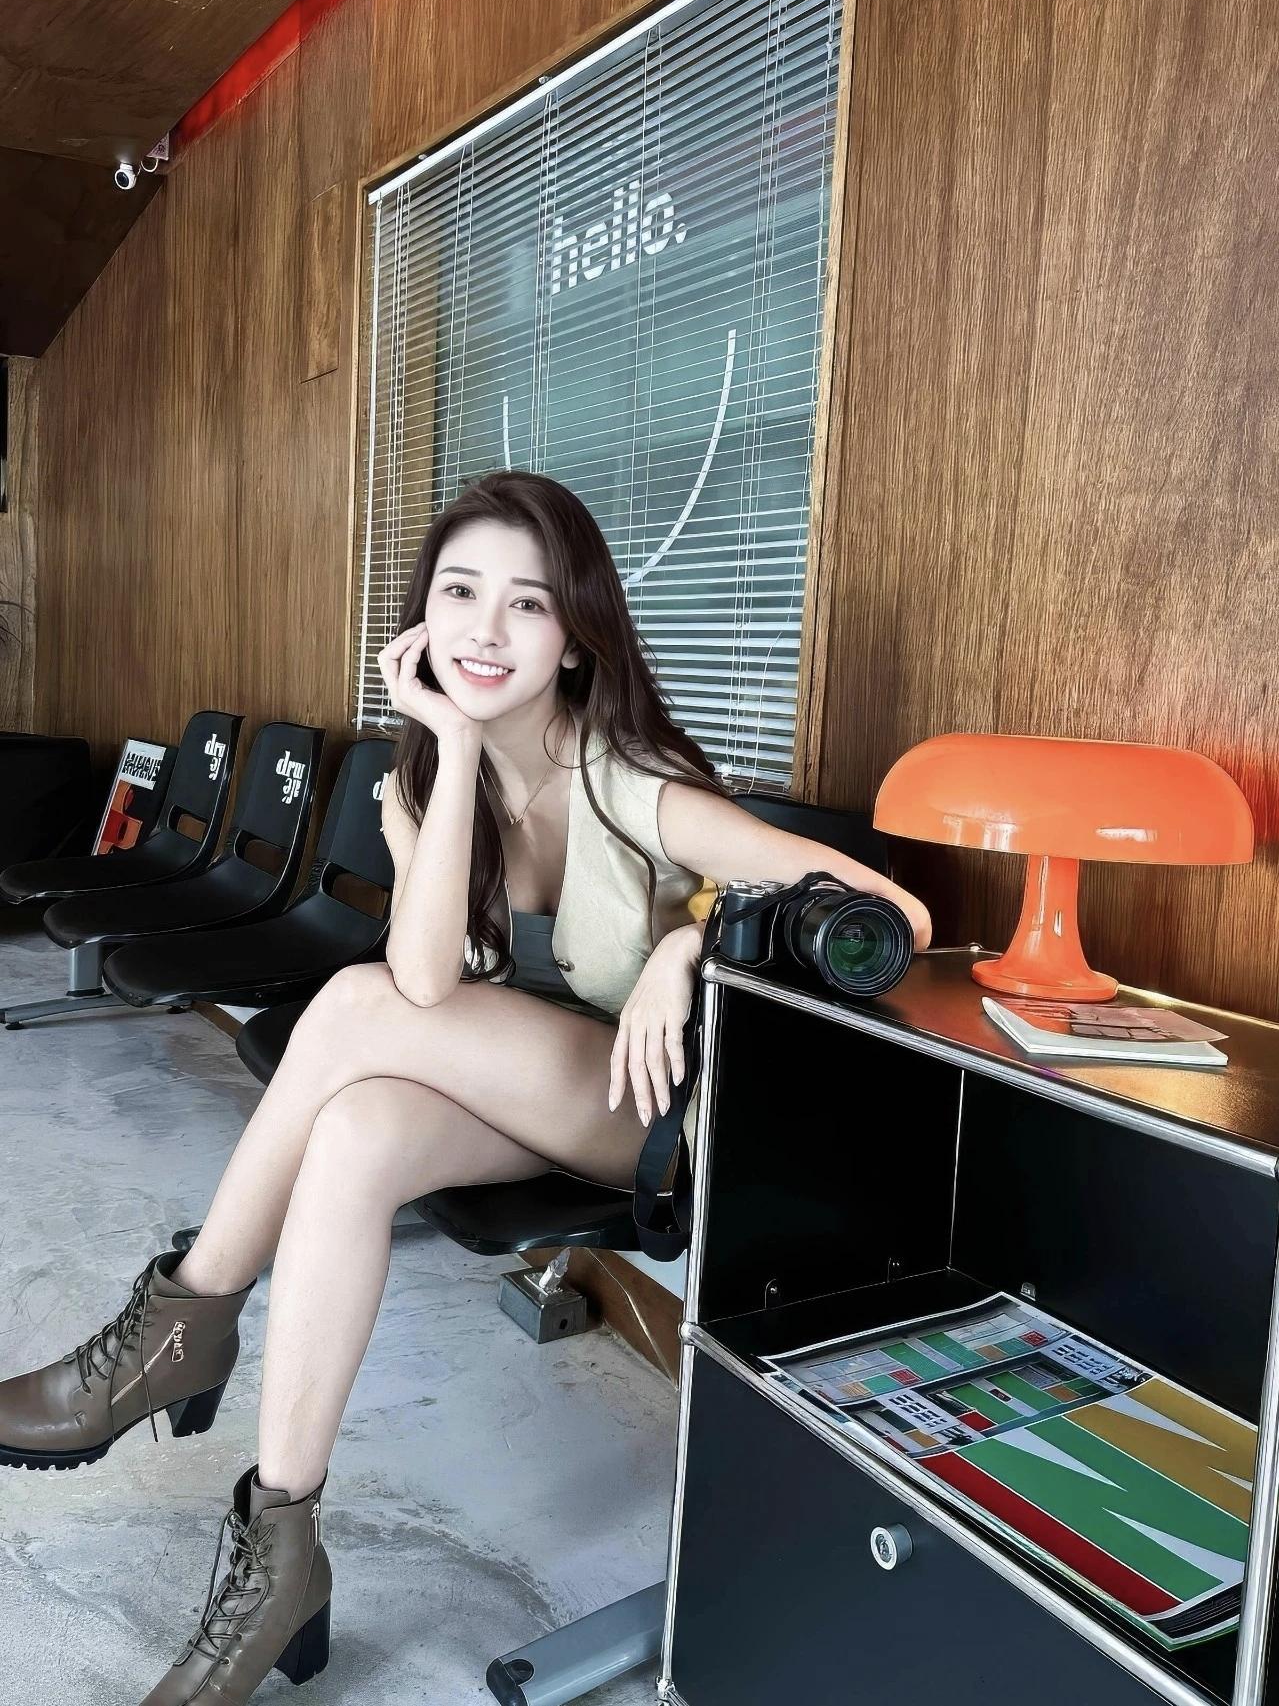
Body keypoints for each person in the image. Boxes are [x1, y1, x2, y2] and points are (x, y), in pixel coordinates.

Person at [0, 469, 932, 1703]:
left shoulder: (632, 780)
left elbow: (892, 910)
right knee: (358, 1128)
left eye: (528, 603)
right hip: (527, 1087)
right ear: (421, 618)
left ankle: (178, 1326)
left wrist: (688, 945)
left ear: (575, 637)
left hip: (654, 1110)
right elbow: (434, 975)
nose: (486, 630)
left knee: (354, 1006)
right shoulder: (426, 779)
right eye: (459, 593)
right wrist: (445, 750)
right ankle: (282, 1544)